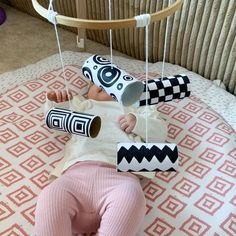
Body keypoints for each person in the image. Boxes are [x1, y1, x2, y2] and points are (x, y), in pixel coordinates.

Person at [35, 83, 167, 236]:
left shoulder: (137, 109)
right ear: (88, 91)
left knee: (132, 196)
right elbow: (57, 123)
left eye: (117, 82)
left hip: (121, 178)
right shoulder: (82, 104)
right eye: (99, 81)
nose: (107, 83)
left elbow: (160, 134)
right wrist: (58, 103)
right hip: (74, 176)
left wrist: (138, 122)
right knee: (51, 196)